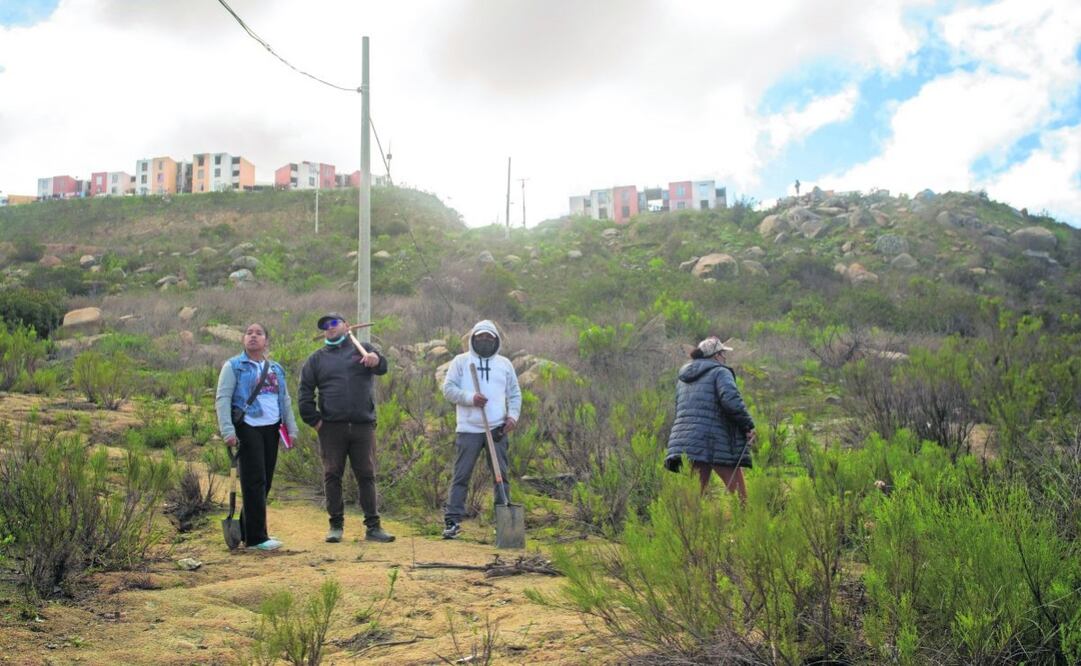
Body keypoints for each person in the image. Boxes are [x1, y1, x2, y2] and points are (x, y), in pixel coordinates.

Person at [298, 312, 395, 543]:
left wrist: (376, 360)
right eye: (325, 326)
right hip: (331, 428)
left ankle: (373, 527)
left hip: (363, 425)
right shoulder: (316, 359)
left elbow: (382, 368)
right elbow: (304, 393)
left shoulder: (363, 349)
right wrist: (316, 421)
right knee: (332, 475)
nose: (329, 327)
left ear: (346, 326)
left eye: (334, 323)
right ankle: (335, 526)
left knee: (367, 475)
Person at [215, 322, 299, 551]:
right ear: (243, 339)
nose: (253, 336)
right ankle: (256, 538)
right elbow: (223, 399)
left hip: (271, 428)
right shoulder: (233, 366)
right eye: (249, 333)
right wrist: (227, 431)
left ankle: (246, 530)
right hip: (248, 427)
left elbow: (285, 400)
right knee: (254, 481)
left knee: (265, 482)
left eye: (258, 333)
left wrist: (291, 430)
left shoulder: (275, 369)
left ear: (266, 341)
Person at [440, 320, 522, 539]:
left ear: (496, 340)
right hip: (468, 429)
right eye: (480, 337)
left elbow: (514, 393)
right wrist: (470, 398)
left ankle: (504, 526)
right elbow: (448, 389)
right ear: (473, 339)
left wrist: (512, 416)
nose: (484, 341)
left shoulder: (504, 364)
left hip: (497, 428)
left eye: (489, 338)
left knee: (500, 476)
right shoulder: (461, 362)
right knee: (461, 475)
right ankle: (453, 521)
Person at [664, 336, 756, 500]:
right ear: (715, 355)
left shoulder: (683, 379)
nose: (724, 357)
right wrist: (748, 426)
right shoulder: (720, 372)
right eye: (722, 353)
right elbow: (731, 402)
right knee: (740, 497)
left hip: (689, 442)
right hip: (715, 440)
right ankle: (746, 522)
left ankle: (688, 525)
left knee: (693, 497)